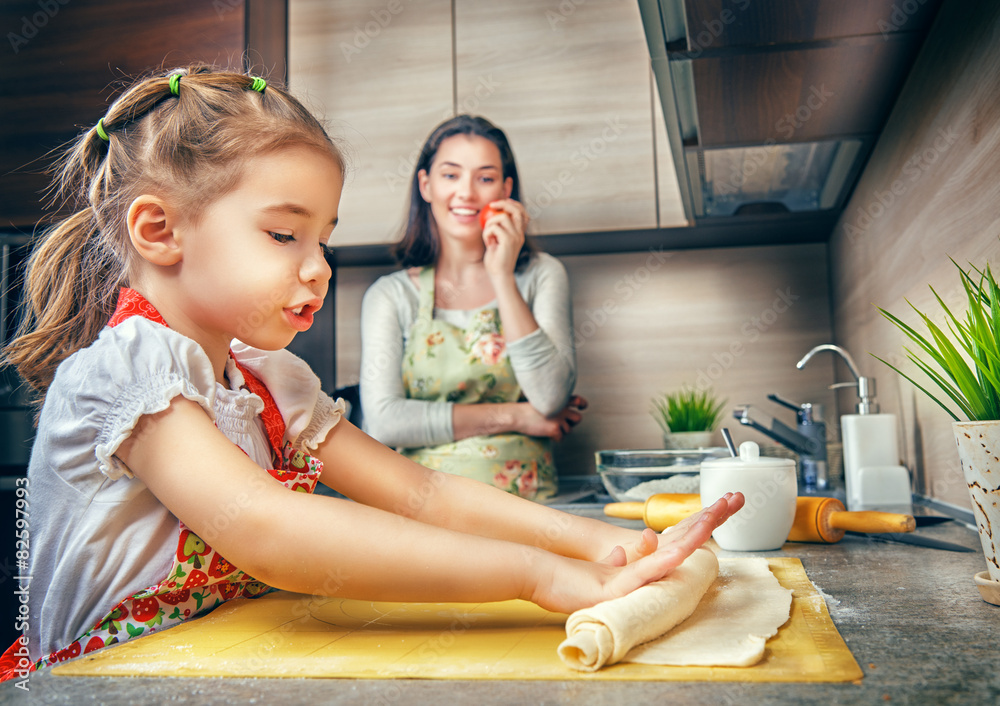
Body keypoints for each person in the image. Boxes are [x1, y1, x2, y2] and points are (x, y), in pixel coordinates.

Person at [0, 67, 743, 681]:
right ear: (160, 230)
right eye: (285, 233)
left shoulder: (268, 380)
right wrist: (536, 576)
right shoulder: (127, 373)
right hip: (95, 688)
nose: (319, 267)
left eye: (322, 238)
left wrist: (598, 547)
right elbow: (268, 528)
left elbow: (420, 491)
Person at [360, 115, 584, 500]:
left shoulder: (542, 275)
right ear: (426, 185)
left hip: (529, 510)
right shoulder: (391, 295)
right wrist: (517, 417)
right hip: (424, 510)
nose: (466, 193)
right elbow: (383, 421)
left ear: (505, 189)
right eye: (450, 176)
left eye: (484, 178)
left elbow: (550, 399)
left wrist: (502, 276)